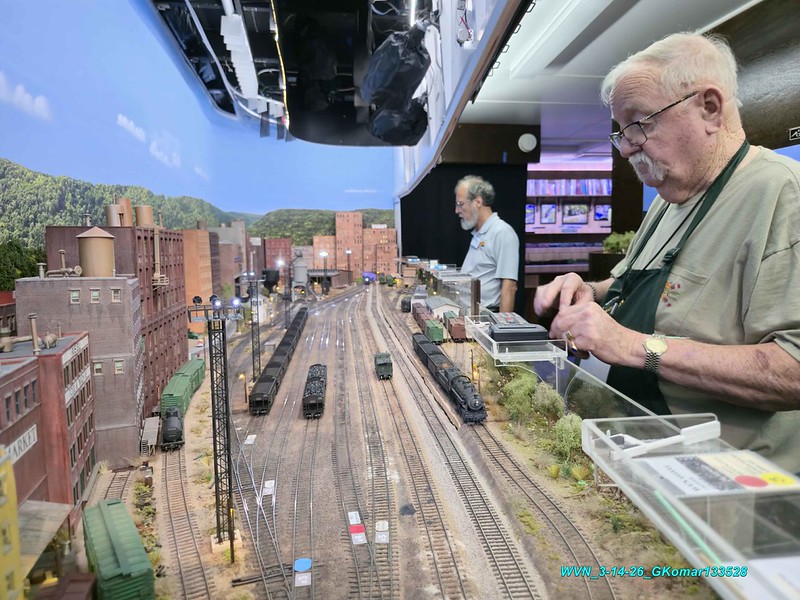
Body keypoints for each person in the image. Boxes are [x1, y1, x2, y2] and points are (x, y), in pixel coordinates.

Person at [533, 32, 800, 473]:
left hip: (725, 482)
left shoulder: (782, 194)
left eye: (640, 124)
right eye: (621, 132)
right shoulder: (668, 199)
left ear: (709, 108)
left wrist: (633, 347)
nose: (627, 148)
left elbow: (791, 370)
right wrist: (588, 292)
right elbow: (636, 282)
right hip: (647, 454)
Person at [455, 175, 519, 313]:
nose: (457, 210)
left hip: (486, 317)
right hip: (469, 315)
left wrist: (502, 325)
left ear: (478, 201)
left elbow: (509, 287)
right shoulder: (479, 233)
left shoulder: (502, 232)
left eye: (460, 204)